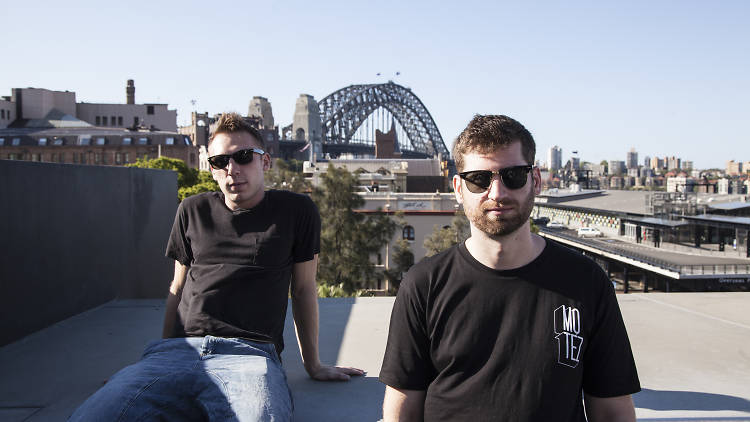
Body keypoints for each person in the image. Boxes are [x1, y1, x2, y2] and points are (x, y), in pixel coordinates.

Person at [70, 112, 363, 421]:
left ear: (266, 162)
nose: (232, 169)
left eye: (243, 156)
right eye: (220, 161)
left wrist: (313, 365)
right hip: (175, 354)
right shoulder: (191, 209)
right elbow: (177, 288)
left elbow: (303, 290)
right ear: (211, 170)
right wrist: (146, 369)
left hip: (249, 356)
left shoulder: (296, 211)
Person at [379, 115, 640, 421]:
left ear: (537, 181)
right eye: (479, 179)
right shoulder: (423, 284)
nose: (497, 193)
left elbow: (612, 410)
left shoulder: (587, 282)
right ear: (459, 189)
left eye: (513, 175)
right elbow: (402, 409)